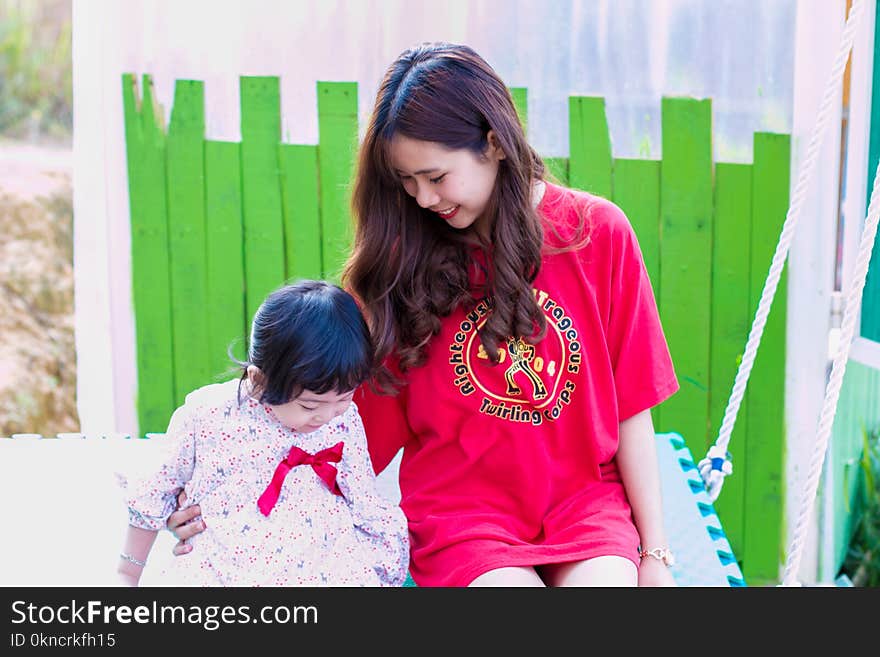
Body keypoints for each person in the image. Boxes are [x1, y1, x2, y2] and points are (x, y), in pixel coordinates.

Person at [168, 42, 679, 587]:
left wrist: (655, 554)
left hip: (584, 505)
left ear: (494, 144)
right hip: (464, 519)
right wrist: (214, 493)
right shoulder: (398, 268)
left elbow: (631, 407)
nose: (422, 199)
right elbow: (317, 418)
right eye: (406, 182)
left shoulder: (596, 233)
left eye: (436, 177)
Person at [116, 280, 409, 587]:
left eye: (344, 398)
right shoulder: (209, 415)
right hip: (225, 569)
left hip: (323, 568)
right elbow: (154, 491)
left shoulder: (344, 419)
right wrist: (128, 573)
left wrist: (377, 569)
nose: (326, 416)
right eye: (310, 405)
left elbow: (365, 503)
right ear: (259, 380)